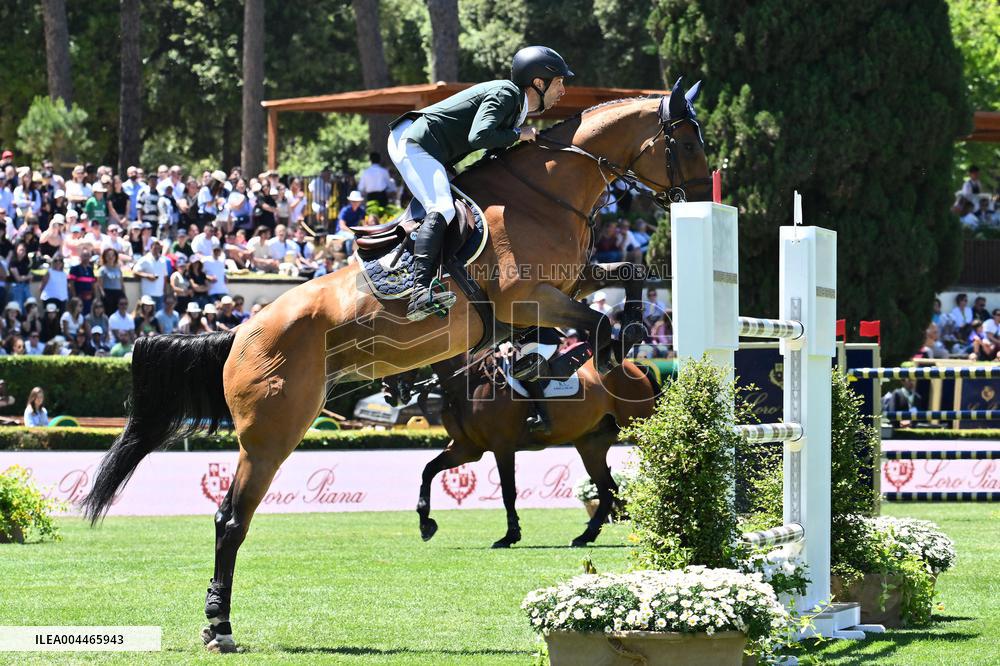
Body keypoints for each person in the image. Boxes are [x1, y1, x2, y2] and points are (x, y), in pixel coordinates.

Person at [387, 45, 572, 320]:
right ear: (538, 83)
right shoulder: (507, 93)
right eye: (559, 82)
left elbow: (491, 152)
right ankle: (418, 291)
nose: (563, 91)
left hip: (434, 151)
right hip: (414, 143)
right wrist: (519, 135)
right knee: (443, 208)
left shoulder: (517, 109)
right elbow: (479, 136)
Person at [132, 241, 169, 310]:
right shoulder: (144, 259)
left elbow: (165, 277)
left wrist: (165, 292)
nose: (157, 250)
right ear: (151, 248)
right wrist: (147, 276)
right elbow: (134, 271)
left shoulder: (163, 261)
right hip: (147, 294)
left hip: (160, 295)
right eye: (155, 248)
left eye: (158, 248)